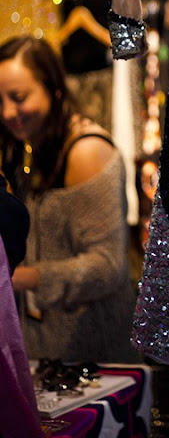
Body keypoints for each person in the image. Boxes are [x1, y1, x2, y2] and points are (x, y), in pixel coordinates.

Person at [0, 34, 138, 364]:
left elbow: (107, 266)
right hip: (50, 355)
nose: (7, 112)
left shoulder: (85, 151)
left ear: (54, 89)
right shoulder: (30, 145)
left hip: (96, 358)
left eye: (18, 97)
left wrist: (22, 278)